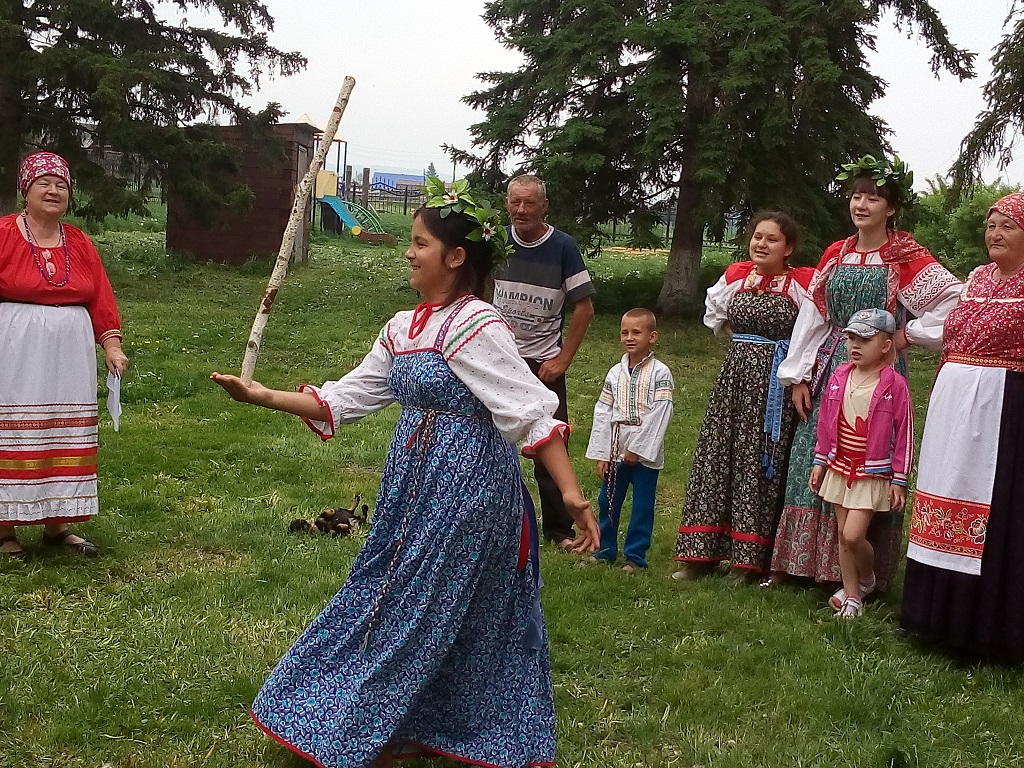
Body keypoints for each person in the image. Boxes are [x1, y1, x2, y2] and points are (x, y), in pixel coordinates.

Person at [211, 178, 600, 768]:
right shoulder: (403, 327)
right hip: (408, 490)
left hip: (468, 490)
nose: (409, 251)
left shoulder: (478, 324)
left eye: (420, 242)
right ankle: (393, 722)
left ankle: (370, 727)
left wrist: (571, 494)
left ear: (456, 256)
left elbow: (528, 412)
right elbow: (344, 398)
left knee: (423, 609)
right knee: (391, 596)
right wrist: (263, 395)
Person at [767, 155, 960, 590]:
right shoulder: (838, 253)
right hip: (833, 363)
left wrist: (908, 333)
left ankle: (859, 571)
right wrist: (798, 373)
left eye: (873, 198)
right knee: (814, 454)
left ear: (890, 208)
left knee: (868, 458)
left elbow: (953, 301)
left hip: (882, 373)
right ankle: (800, 563)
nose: (862, 204)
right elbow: (813, 315)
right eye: (856, 196)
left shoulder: (903, 254)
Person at [900, 192, 1024, 662]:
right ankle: (934, 616)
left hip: (1005, 411)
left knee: (994, 510)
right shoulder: (974, 279)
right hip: (956, 407)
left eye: (1007, 226)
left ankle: (985, 628)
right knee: (944, 496)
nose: (995, 233)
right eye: (991, 225)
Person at [0, 151, 128, 558]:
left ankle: (58, 524)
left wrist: (111, 343)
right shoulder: (3, 233)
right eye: (45, 183)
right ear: (26, 190)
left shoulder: (78, 241)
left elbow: (100, 294)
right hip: (15, 348)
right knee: (16, 431)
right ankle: (5, 529)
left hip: (68, 352)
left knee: (62, 430)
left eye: (62, 185)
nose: (54, 191)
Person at [673, 212, 814, 583]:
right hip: (734, 379)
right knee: (717, 456)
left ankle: (748, 559)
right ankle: (700, 555)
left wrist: (785, 361)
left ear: (789, 248)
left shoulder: (801, 283)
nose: (761, 244)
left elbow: (812, 330)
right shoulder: (737, 275)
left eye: (771, 239)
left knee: (758, 463)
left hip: (773, 385)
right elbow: (715, 315)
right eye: (757, 237)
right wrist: (744, 340)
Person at [492, 174, 596, 550]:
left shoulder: (563, 247)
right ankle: (495, 522)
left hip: (543, 365)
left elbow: (584, 308)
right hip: (499, 361)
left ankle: (558, 530)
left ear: (544, 207)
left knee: (550, 447)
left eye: (529, 203)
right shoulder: (497, 242)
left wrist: (563, 359)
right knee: (490, 442)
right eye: (515, 202)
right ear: (507, 203)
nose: (521, 210)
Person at [809, 309, 913, 618]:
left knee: (854, 535)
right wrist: (820, 460)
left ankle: (866, 579)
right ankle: (852, 596)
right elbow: (826, 422)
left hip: (872, 472)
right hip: (840, 467)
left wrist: (899, 478)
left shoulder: (894, 384)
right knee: (843, 536)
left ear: (885, 345)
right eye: (851, 338)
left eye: (865, 339)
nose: (855, 345)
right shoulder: (840, 375)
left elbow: (904, 433)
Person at [585, 308, 674, 573]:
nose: (630, 337)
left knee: (642, 504)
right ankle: (606, 549)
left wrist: (638, 448)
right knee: (608, 499)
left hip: (645, 451)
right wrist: (603, 453)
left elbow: (661, 411)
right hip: (615, 446)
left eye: (637, 332)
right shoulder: (615, 373)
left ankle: (635, 555)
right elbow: (603, 412)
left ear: (652, 336)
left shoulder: (661, 373)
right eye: (625, 332)